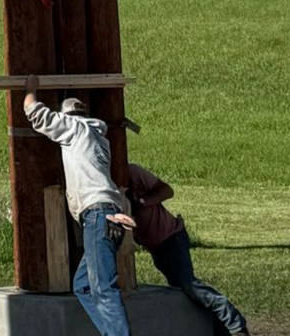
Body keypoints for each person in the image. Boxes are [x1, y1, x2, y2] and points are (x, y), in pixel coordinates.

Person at [24, 91, 138, 336]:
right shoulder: (99, 137)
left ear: (68, 117)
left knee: (103, 289)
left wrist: (29, 88)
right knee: (83, 285)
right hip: (106, 215)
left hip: (98, 217)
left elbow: (36, 114)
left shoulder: (76, 129)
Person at [127, 161, 250, 335]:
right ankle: (220, 330)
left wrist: (141, 201)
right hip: (156, 247)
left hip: (171, 238)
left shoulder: (132, 172)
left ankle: (235, 324)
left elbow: (167, 190)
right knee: (184, 292)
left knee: (189, 285)